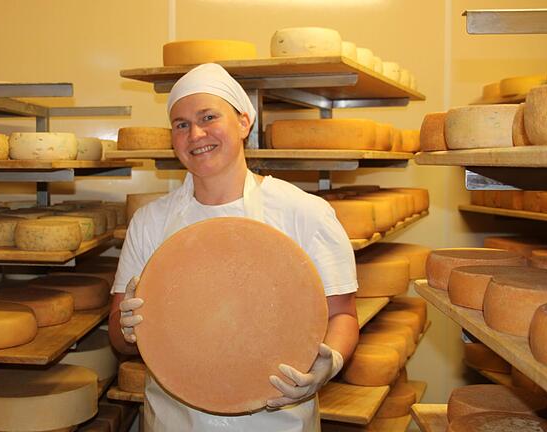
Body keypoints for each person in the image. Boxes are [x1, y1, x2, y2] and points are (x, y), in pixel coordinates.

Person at [109, 63, 359, 431]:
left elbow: (342, 315)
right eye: (181, 124)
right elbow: (118, 333)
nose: (195, 134)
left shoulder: (304, 213)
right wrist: (128, 330)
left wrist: (331, 362)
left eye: (208, 117)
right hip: (175, 422)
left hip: (278, 421)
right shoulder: (150, 223)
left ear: (244, 123)